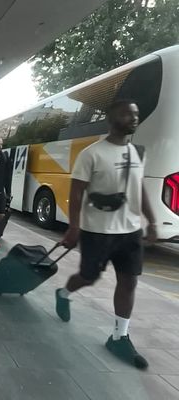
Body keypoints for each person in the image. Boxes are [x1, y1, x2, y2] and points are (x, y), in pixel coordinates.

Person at [56, 99, 156, 370]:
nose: (134, 118)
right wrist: (74, 227)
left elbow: (140, 188)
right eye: (127, 114)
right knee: (88, 277)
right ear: (112, 118)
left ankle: (119, 336)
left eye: (136, 114)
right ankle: (63, 293)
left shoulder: (137, 152)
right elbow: (76, 192)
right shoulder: (92, 153)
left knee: (129, 281)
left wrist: (152, 220)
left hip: (130, 231)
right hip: (97, 231)